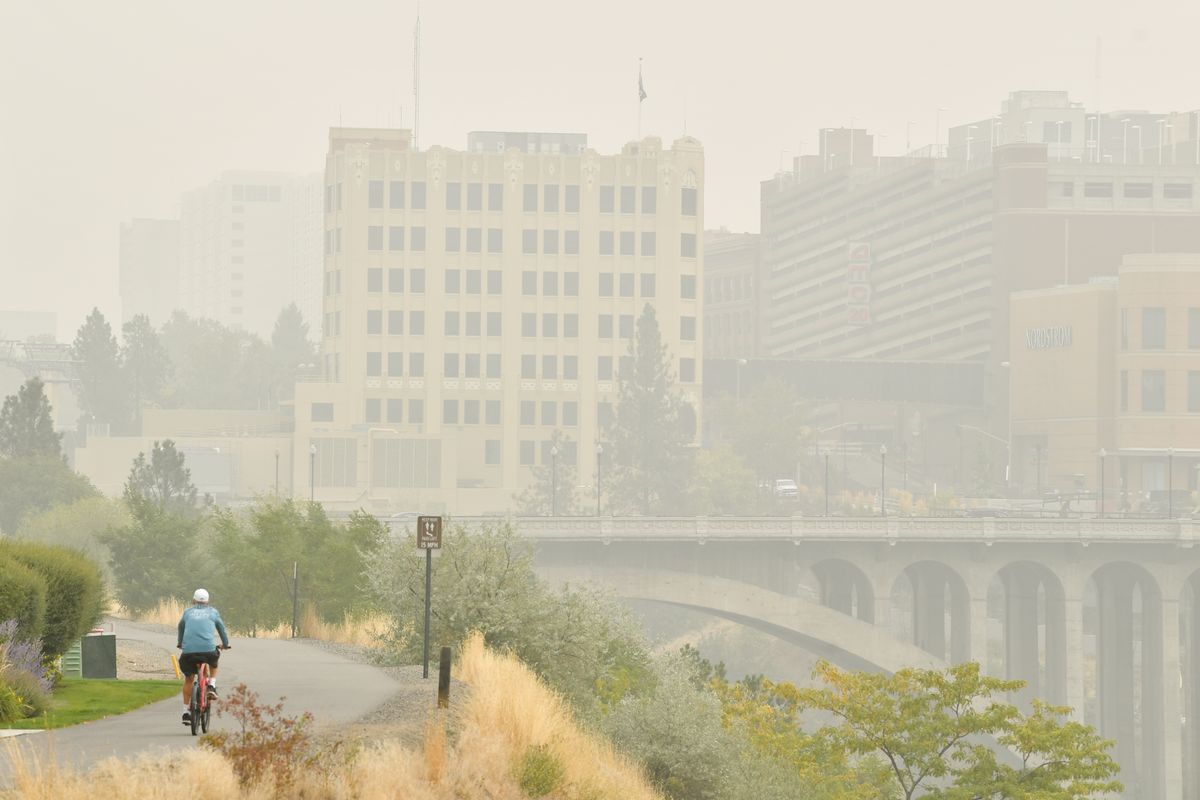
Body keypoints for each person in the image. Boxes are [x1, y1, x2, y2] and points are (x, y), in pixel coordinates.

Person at [176, 588, 230, 724]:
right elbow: (221, 629)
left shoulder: (187, 612)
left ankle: (185, 712)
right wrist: (225, 644)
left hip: (188, 652)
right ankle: (211, 685)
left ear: (193, 600)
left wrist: (180, 643)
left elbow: (181, 626)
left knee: (189, 679)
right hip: (208, 651)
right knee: (214, 660)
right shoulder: (213, 612)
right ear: (208, 601)